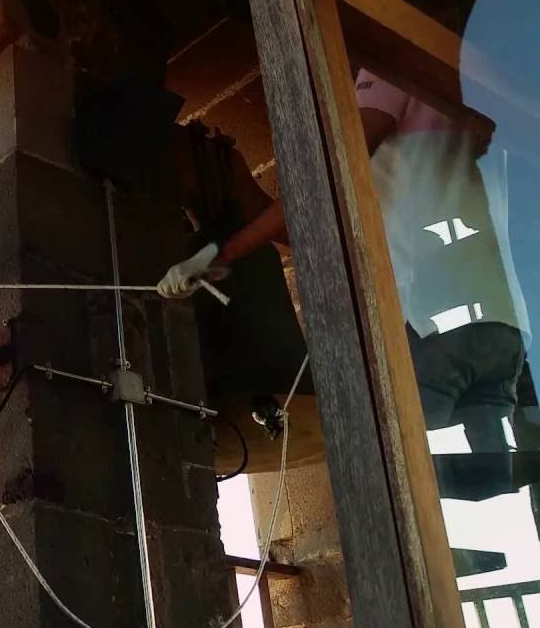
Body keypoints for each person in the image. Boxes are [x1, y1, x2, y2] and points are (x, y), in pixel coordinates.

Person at [159, 69, 530, 501]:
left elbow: (325, 181)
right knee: (486, 470)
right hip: (503, 327)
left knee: (377, 468)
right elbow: (314, 223)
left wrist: (221, 255)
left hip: (437, 325)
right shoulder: (472, 91)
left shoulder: (388, 69)